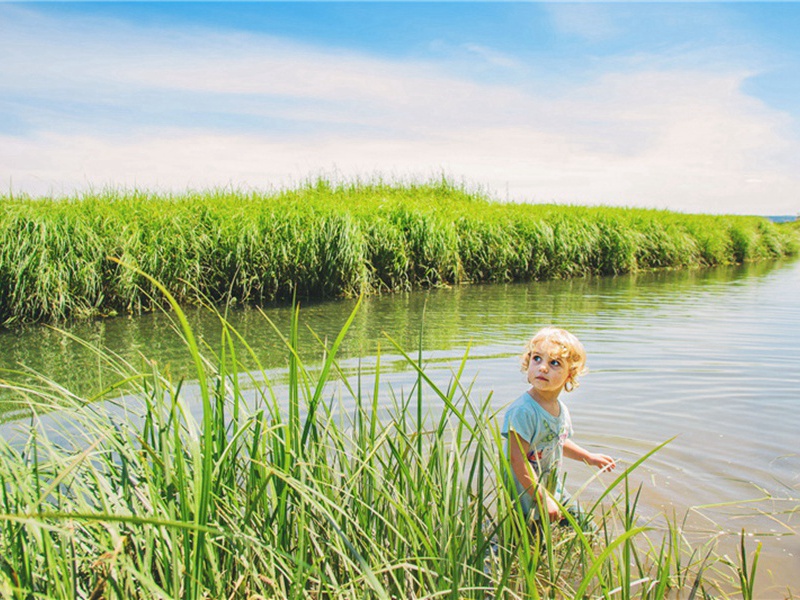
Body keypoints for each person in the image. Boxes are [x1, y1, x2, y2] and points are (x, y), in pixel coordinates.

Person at [501, 326, 615, 530]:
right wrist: (542, 497)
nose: (543, 368)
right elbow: (517, 459)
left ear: (569, 376)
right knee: (529, 542)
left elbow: (558, 441)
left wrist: (588, 457)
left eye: (554, 363)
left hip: (551, 488)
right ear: (527, 364)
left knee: (587, 530)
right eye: (537, 359)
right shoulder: (523, 411)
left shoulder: (560, 409)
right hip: (525, 496)